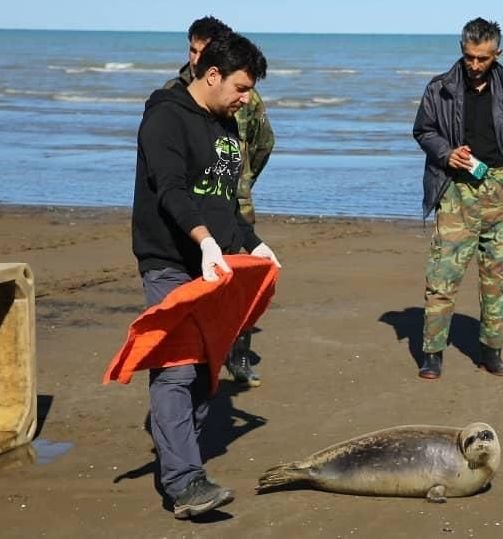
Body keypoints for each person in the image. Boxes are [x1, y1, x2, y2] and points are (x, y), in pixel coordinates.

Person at [133, 31, 278, 518]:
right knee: (175, 368)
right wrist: (205, 241)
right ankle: (184, 481)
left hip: (214, 265)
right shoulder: (165, 117)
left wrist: (254, 244)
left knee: (203, 371)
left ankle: (184, 461)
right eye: (240, 87)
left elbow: (222, 202)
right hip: (171, 261)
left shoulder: (224, 127)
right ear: (211, 74)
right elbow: (171, 190)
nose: (245, 98)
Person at [412, 18, 503, 380]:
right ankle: (432, 353)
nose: (475, 65)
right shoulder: (440, 88)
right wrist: (446, 153)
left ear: (498, 53)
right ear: (461, 50)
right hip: (455, 190)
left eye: (483, 58)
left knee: (498, 278)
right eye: (469, 57)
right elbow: (423, 129)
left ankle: (490, 352)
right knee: (442, 276)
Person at [165, 16, 276, 388]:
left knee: (235, 289)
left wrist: (240, 183)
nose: (196, 57)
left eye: (204, 50)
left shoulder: (245, 93)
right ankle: (196, 356)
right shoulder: (173, 94)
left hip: (232, 203)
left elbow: (263, 143)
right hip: (191, 208)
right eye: (192, 49)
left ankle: (238, 354)